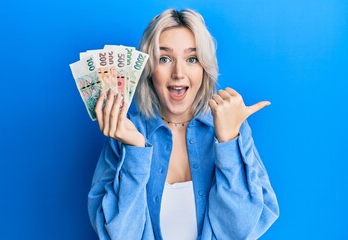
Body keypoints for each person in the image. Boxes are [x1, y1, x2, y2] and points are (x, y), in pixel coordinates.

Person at [88, 9, 279, 240]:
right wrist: (135, 150)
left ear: (204, 69)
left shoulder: (232, 128)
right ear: (148, 70)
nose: (178, 73)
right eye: (165, 58)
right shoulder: (126, 133)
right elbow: (120, 235)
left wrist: (228, 142)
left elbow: (238, 231)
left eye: (192, 59)